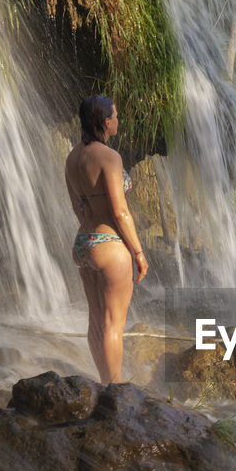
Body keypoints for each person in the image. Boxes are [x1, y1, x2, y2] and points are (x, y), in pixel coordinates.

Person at [65, 95, 148, 383]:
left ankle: (105, 382)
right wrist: (137, 252)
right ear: (105, 122)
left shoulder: (73, 157)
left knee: (96, 320)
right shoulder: (109, 157)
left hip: (84, 242)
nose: (118, 120)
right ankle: (114, 388)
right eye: (116, 116)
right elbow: (120, 212)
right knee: (114, 325)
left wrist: (91, 239)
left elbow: (78, 206)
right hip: (110, 244)